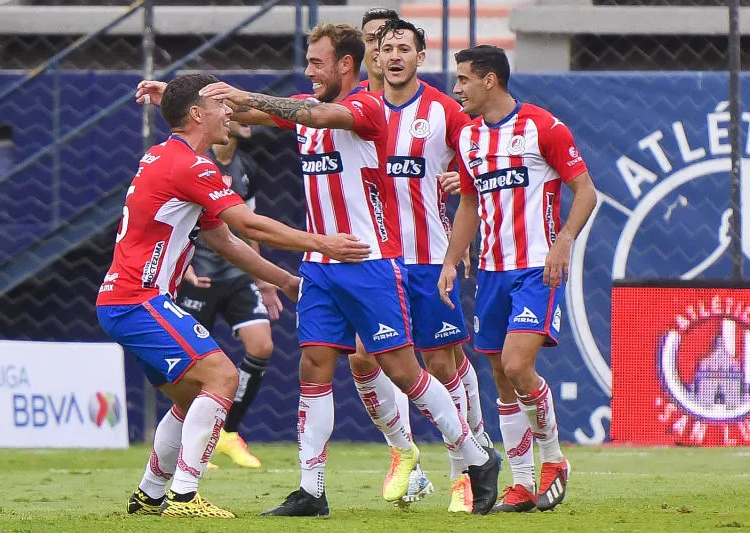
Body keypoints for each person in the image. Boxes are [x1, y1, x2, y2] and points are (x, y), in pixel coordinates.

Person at [139, 23, 501, 516]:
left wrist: (245, 95)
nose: (308, 71)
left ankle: (476, 458)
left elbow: (316, 112)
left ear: (345, 65)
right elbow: (257, 111)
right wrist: (184, 105)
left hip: (369, 259)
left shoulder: (365, 106)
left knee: (403, 369)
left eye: (317, 62)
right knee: (314, 367)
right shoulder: (305, 112)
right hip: (321, 264)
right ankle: (312, 490)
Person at [97, 73, 370, 518]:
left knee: (189, 399)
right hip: (138, 299)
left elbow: (225, 241)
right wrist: (324, 243)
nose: (231, 112)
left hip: (127, 300)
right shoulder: (192, 165)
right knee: (221, 377)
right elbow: (251, 225)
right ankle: (184, 497)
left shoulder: (166, 158)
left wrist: (284, 281)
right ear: (197, 114)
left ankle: (150, 494)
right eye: (221, 104)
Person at [346, 18, 497, 514]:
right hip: (376, 260)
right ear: (374, 56)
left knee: (440, 362)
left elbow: (481, 158)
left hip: (429, 258)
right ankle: (402, 453)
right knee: (364, 357)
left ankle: (465, 471)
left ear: (419, 57)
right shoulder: (357, 110)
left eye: (403, 49)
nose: (392, 55)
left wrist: (463, 180)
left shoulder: (442, 110)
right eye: (385, 47)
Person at [438, 45, 598, 512]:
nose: (457, 88)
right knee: (500, 380)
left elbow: (586, 191)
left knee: (515, 365)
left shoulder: (543, 127)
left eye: (464, 79)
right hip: (490, 271)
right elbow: (469, 203)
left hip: (536, 269)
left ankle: (554, 460)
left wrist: (564, 240)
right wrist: (451, 260)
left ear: (490, 80)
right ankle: (523, 484)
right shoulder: (468, 139)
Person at [175, 121, 275, 469]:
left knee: (261, 345)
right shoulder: (197, 164)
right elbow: (176, 218)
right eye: (239, 116)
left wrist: (262, 277)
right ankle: (190, 441)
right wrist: (181, 266)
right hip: (198, 275)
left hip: (236, 273)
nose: (249, 122)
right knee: (191, 365)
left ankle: (228, 434)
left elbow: (249, 227)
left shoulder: (246, 167)